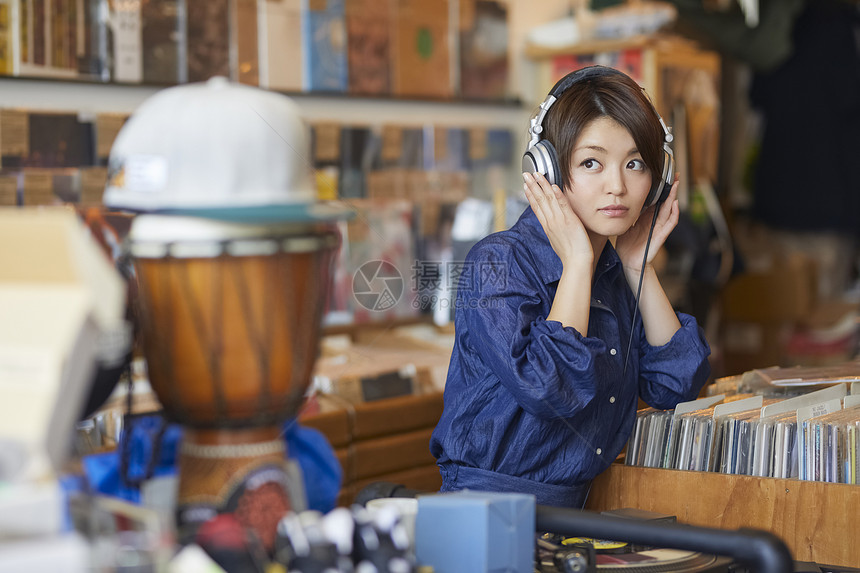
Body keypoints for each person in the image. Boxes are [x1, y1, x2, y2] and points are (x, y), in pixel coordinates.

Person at [429, 66, 711, 508]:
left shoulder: (615, 274)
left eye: (634, 163)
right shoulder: (496, 262)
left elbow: (674, 386)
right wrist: (578, 262)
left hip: (580, 517)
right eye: (591, 163)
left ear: (656, 179)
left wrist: (639, 270)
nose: (617, 186)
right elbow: (548, 387)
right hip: (486, 514)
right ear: (548, 169)